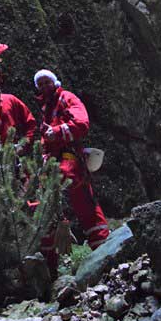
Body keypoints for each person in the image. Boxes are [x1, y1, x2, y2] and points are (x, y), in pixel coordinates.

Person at [34, 67, 110, 276]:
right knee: (47, 205)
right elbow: (46, 139)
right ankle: (49, 263)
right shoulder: (46, 108)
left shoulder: (66, 98)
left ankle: (104, 249)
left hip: (68, 160)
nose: (44, 87)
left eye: (46, 82)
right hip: (53, 163)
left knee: (78, 201)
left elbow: (81, 123)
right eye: (40, 85)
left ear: (55, 82)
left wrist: (56, 133)